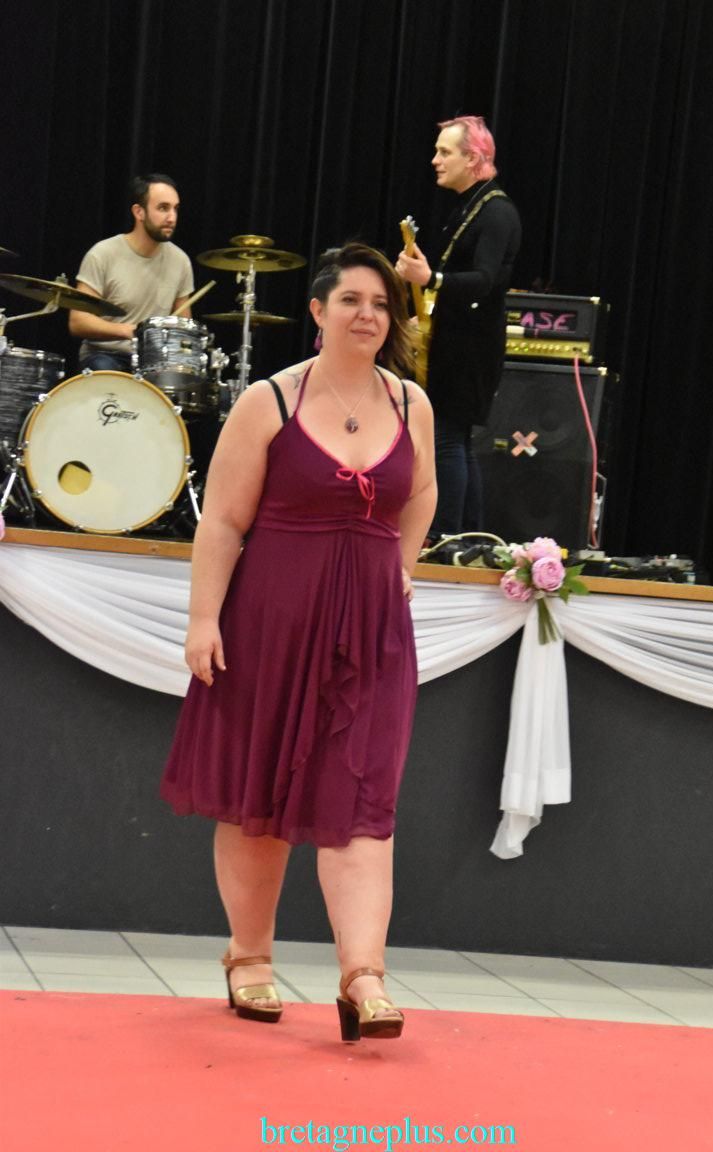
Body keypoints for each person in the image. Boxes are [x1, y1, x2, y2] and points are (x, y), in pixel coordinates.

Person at [161, 242, 436, 1043]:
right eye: (351, 300)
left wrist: (402, 565)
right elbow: (222, 521)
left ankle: (364, 977)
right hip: (271, 624)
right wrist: (204, 619)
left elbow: (421, 493)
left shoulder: (411, 402)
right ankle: (249, 957)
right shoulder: (268, 401)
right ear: (318, 311)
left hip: (372, 630)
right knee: (261, 799)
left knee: (363, 798)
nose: (368, 315)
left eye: (381, 304)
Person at [396, 115, 521, 543]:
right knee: (456, 440)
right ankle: (466, 538)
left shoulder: (497, 211)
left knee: (447, 439)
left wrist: (430, 278)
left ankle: (445, 534)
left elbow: (484, 281)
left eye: (444, 152)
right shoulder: (473, 206)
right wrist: (425, 307)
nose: (435, 160)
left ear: (472, 158)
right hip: (457, 339)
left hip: (471, 346)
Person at [68, 173, 194, 372]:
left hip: (152, 360)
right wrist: (129, 331)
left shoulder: (180, 261)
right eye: (163, 208)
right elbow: (78, 322)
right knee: (104, 369)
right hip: (106, 354)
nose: (172, 218)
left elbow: (183, 325)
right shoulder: (102, 254)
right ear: (139, 212)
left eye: (175, 209)